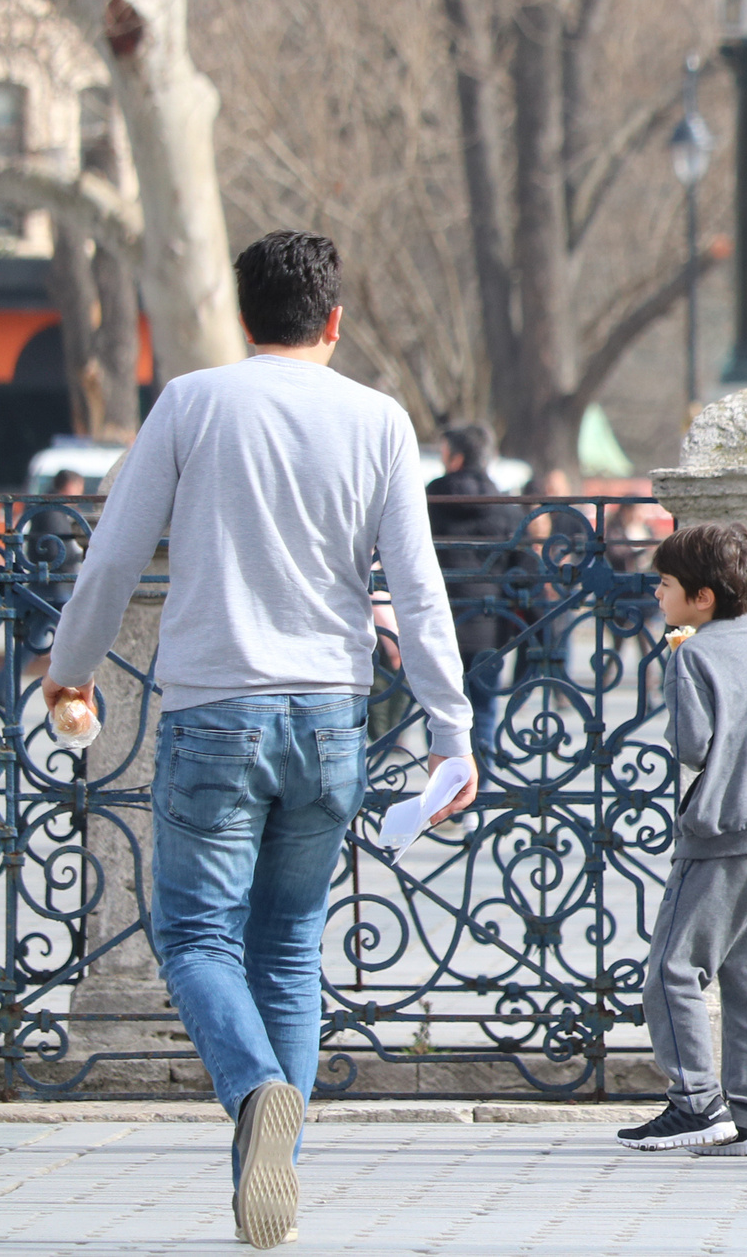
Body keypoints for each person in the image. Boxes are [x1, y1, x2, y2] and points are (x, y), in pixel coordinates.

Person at [39, 231, 476, 1249]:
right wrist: (451, 729)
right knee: (286, 944)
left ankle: (253, 1094)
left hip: (216, 710)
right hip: (330, 714)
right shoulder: (378, 420)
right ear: (335, 321)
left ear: (242, 319)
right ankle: (269, 1171)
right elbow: (419, 590)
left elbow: (113, 557)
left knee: (194, 935)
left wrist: (70, 665)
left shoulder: (192, 402)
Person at [615, 522, 747, 1158]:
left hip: (726, 830)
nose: (657, 593)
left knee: (671, 969)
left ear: (701, 597)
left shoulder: (693, 654)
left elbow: (691, 746)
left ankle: (696, 1102)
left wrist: (673, 672)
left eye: (665, 584)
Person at [427, 425, 515, 769]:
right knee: (484, 709)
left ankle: (446, 786)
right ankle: (482, 784)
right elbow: (520, 565)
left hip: (439, 619)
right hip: (489, 621)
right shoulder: (504, 504)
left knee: (439, 713)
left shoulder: (431, 500)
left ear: (456, 458)